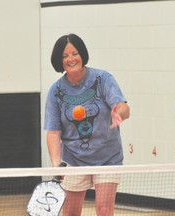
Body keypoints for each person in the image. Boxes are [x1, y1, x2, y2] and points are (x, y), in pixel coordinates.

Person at [44, 33, 130, 216]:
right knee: (71, 213)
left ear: (82, 54)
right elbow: (53, 132)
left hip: (108, 158)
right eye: (65, 56)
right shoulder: (56, 91)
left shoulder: (102, 79)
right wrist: (56, 164)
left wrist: (118, 113)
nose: (71, 59)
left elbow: (123, 107)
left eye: (74, 53)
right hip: (74, 160)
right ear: (59, 61)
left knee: (104, 211)